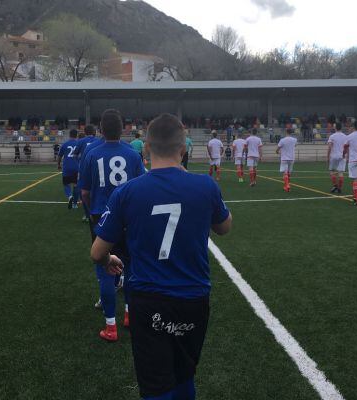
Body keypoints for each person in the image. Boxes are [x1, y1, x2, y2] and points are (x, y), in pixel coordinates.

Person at [91, 113, 232, 400]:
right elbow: (225, 227)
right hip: (194, 298)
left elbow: (97, 252)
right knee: (184, 375)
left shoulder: (126, 192)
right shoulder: (206, 186)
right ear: (184, 149)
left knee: (155, 384)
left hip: (148, 298)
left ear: (144, 149)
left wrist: (109, 261)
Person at [81, 109, 145, 342]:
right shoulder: (132, 154)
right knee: (130, 266)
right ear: (123, 129)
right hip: (129, 218)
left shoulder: (91, 153)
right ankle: (129, 315)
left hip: (101, 217)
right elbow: (141, 188)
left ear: (100, 129)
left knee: (104, 269)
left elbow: (85, 191)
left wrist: (91, 213)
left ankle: (111, 327)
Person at [58, 129, 80, 209]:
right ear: (76, 135)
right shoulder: (79, 144)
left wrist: (58, 165)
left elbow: (59, 156)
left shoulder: (65, 144)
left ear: (69, 135)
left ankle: (70, 196)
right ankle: (75, 204)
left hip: (67, 167)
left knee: (66, 184)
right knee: (76, 185)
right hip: (76, 167)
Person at [326, 123, 348, 193]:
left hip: (334, 156)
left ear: (335, 128)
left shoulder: (332, 136)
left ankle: (335, 185)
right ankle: (339, 188)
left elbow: (329, 147)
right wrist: (347, 156)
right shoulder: (345, 136)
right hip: (342, 156)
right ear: (341, 128)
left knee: (332, 171)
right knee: (340, 173)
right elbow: (347, 147)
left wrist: (328, 156)